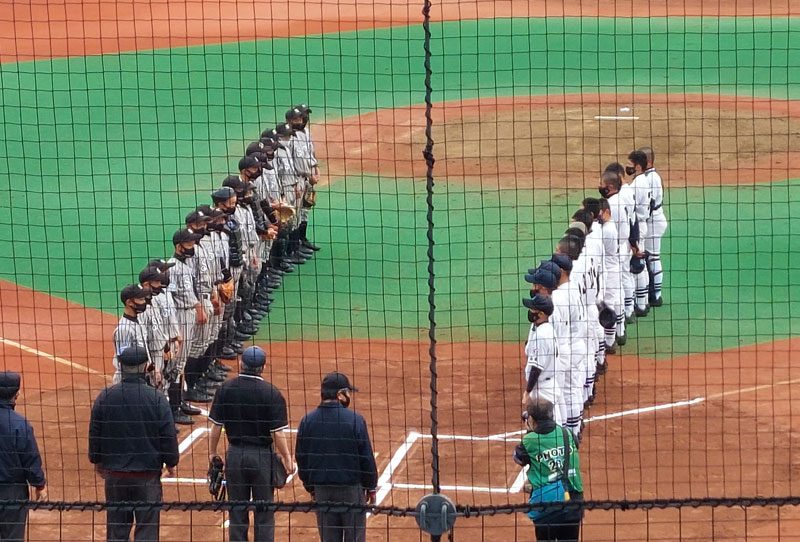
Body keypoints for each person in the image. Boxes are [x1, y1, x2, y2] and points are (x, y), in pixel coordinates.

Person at [89, 346, 179, 542]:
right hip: (147, 477)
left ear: (121, 366)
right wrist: (171, 462)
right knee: (147, 531)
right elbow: (168, 435)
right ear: (146, 366)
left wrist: (97, 461)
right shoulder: (157, 399)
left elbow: (95, 434)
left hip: (115, 477)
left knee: (117, 530)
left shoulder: (104, 397)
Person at [207, 346, 294, 542]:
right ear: (262, 368)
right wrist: (288, 458)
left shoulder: (226, 389)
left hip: (235, 455)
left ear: (241, 364)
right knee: (264, 512)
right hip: (262, 457)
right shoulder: (271, 393)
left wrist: (212, 453)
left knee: (237, 510)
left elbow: (215, 427)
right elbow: (277, 433)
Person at [296, 372, 378, 542]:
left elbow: (301, 458)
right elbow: (366, 457)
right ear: (340, 394)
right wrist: (371, 487)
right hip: (351, 492)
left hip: (322, 491)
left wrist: (311, 487)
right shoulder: (355, 420)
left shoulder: (307, 421)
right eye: (347, 392)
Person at [513, 397, 584, 542]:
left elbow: (519, 458)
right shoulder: (567, 433)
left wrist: (530, 433)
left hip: (547, 505)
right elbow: (575, 445)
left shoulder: (529, 441)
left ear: (531, 419)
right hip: (573, 501)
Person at [0, 372, 47, 542]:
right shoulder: (20, 424)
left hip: (12, 489)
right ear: (16, 394)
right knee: (12, 537)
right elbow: (30, 459)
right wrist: (39, 484)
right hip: (12, 492)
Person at [520, 294, 565, 427]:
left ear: (541, 314)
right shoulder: (547, 329)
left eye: (533, 310)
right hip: (548, 386)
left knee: (548, 429)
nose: (530, 312)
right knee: (553, 427)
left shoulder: (542, 335)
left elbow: (536, 368)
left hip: (543, 391)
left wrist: (527, 392)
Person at [638, 145, 668, 307]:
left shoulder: (651, 178)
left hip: (654, 221)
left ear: (647, 161)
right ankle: (653, 293)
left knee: (652, 256)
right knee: (650, 256)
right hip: (654, 220)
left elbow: (649, 204)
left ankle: (656, 295)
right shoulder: (651, 176)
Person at [626, 149, 652, 317]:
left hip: (637, 225)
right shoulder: (643, 180)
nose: (627, 167)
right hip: (642, 224)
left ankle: (640, 304)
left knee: (637, 266)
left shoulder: (637, 184)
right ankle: (642, 302)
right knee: (639, 265)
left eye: (630, 164)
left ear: (637, 166)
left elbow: (630, 208)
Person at [112, 284, 152, 384]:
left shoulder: (139, 320)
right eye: (141, 299)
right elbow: (124, 359)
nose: (144, 302)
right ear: (129, 302)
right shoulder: (124, 329)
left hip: (140, 376)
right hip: (127, 380)